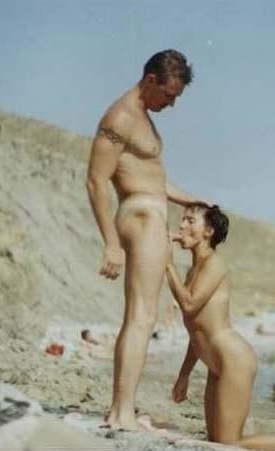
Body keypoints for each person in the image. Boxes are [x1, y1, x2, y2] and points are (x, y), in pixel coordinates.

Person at [86, 49, 210, 431]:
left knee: (139, 316)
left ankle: (121, 408)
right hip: (141, 218)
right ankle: (121, 412)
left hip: (147, 211)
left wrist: (192, 200)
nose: (171, 104)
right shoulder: (121, 117)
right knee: (141, 317)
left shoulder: (140, 118)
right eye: (169, 95)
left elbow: (152, 179)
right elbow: (96, 180)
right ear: (150, 80)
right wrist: (110, 243)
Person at [166, 204, 275, 451]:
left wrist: (167, 264)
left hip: (234, 360)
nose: (182, 225)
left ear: (208, 231)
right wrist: (184, 375)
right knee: (217, 440)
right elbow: (196, 331)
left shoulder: (214, 264)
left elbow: (189, 304)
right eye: (182, 220)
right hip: (215, 364)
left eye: (190, 220)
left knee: (229, 443)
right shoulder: (192, 271)